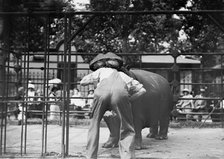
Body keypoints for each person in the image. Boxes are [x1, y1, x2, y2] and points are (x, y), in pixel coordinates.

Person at [80, 52, 146, 159]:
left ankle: (90, 156)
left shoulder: (100, 71)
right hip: (120, 95)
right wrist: (129, 99)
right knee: (127, 126)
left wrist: (97, 83)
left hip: (101, 94)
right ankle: (127, 156)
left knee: (94, 123)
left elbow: (83, 82)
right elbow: (142, 90)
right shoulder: (123, 75)